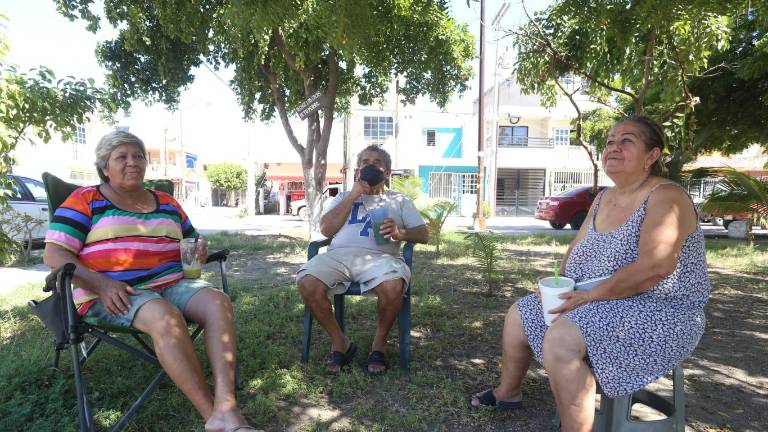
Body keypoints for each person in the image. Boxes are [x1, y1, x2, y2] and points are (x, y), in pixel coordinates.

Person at [469, 115, 710, 431]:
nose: (614, 147)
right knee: (521, 312)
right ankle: (508, 392)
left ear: (652, 156)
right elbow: (576, 250)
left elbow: (656, 267)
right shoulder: (603, 198)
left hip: (662, 310)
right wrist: (559, 284)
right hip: (605, 299)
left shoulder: (666, 195)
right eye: (610, 141)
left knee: (562, 338)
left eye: (627, 141)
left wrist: (590, 297)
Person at [44, 130, 260, 432]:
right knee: (166, 317)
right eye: (122, 157)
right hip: (114, 292)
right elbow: (54, 254)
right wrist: (101, 284)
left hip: (172, 283)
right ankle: (214, 417)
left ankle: (226, 406)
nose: (132, 162)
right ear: (105, 167)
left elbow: (192, 238)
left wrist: (199, 247)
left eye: (138, 156)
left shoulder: (167, 202)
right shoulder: (85, 199)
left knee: (217, 302)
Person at [297, 145, 429, 375]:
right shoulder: (340, 198)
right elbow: (327, 230)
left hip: (382, 258)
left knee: (392, 286)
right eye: (365, 161)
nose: (370, 165)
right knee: (307, 281)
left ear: (387, 172)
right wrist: (353, 195)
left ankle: (378, 345)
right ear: (358, 170)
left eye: (377, 162)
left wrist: (402, 234)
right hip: (338, 256)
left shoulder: (398, 200)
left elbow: (423, 234)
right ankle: (340, 343)